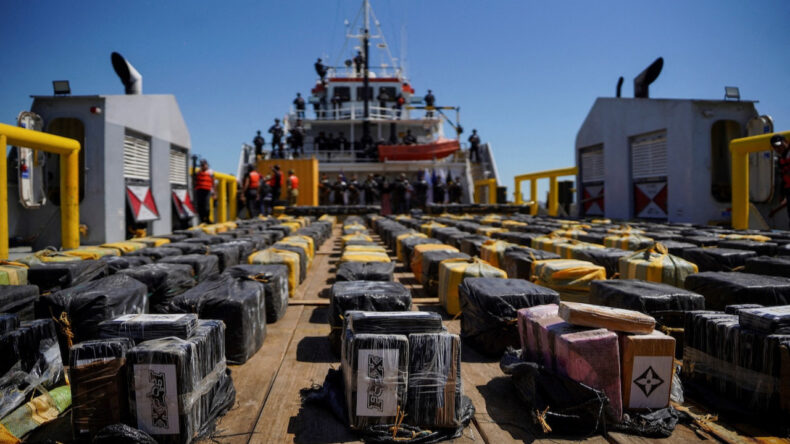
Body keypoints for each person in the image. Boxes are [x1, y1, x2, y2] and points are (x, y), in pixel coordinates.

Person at [771, 134, 790, 221]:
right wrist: (782, 194)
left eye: (780, 145)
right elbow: (783, 177)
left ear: (786, 142)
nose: (778, 148)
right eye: (775, 147)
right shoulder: (781, 159)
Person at [193, 159, 215, 224]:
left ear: (207, 165)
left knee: (206, 206)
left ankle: (207, 219)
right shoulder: (198, 172)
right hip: (199, 190)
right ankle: (202, 220)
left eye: (204, 164)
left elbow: (213, 183)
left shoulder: (210, 173)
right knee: (200, 205)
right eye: (202, 165)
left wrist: (214, 193)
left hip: (207, 190)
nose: (203, 166)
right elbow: (195, 181)